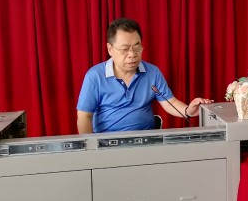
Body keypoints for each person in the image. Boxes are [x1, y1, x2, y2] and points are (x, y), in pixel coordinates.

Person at [76, 18, 213, 133]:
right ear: (110, 49)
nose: (132, 54)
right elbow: (84, 116)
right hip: (109, 142)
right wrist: (91, 150)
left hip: (146, 140)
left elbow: (170, 103)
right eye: (125, 49)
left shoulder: (152, 72)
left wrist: (188, 111)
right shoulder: (95, 76)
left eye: (137, 47)